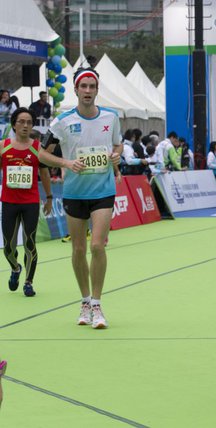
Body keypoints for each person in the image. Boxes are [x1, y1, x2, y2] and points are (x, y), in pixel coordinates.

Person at [42, 67, 122, 329]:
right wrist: (66, 163)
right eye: (83, 86)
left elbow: (117, 144)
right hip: (75, 192)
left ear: (97, 90)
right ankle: (85, 301)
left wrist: (116, 155)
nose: (88, 91)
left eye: (92, 86)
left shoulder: (111, 117)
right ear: (75, 90)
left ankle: (97, 305)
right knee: (78, 249)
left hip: (103, 191)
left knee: (97, 246)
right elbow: (42, 154)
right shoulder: (62, 121)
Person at [2, 108, 81, 297]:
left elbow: (44, 173)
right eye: (21, 122)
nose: (25, 125)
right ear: (14, 125)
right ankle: (15, 268)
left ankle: (28, 282)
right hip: (9, 202)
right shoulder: (3, 146)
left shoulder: (38, 148)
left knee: (29, 243)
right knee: (8, 247)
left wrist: (49, 198)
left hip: (30, 202)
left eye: (29, 122)